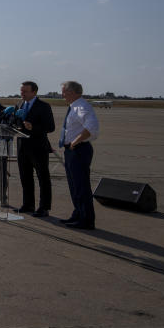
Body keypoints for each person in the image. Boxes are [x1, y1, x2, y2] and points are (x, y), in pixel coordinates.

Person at [59, 81, 100, 230]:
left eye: (64, 92)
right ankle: (78, 214)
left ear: (73, 92)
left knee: (81, 186)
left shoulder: (82, 106)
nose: (62, 94)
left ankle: (86, 220)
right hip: (72, 151)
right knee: (74, 186)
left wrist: (75, 142)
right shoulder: (74, 106)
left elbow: (92, 127)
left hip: (79, 150)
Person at [15, 81, 56, 217]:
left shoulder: (43, 106)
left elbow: (50, 127)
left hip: (38, 147)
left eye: (25, 91)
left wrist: (33, 127)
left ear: (34, 92)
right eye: (21, 91)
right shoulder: (19, 104)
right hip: (22, 147)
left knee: (43, 178)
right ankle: (28, 204)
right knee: (25, 177)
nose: (22, 94)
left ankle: (44, 207)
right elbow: (17, 123)